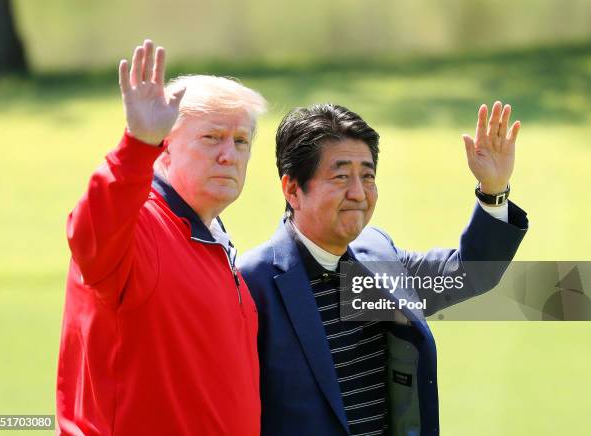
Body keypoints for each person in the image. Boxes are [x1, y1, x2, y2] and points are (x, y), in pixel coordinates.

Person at [238, 102, 528, 436]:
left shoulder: (377, 257)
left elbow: (470, 273)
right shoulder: (252, 284)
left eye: (367, 176)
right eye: (341, 176)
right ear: (292, 190)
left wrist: (493, 191)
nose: (358, 193)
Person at [56, 39, 267, 435]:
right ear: (165, 149)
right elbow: (90, 233)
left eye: (241, 141)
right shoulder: (142, 226)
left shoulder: (212, 241)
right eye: (212, 137)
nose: (229, 154)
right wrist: (136, 146)